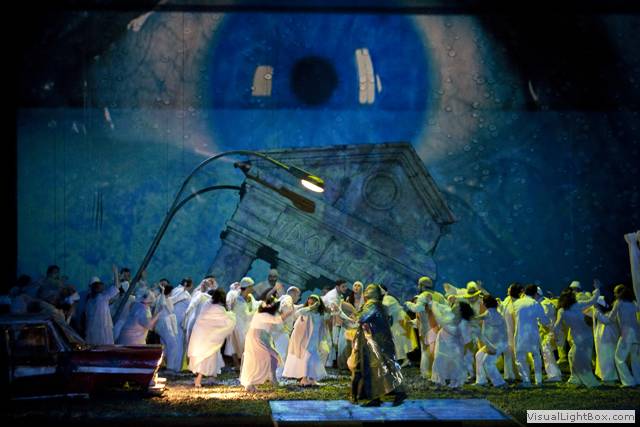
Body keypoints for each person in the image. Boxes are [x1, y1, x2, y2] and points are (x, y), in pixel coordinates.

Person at [350, 284, 406, 407]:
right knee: (387, 367)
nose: (366, 291)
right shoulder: (380, 305)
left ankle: (382, 397)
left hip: (377, 342)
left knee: (376, 369)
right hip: (382, 340)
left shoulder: (372, 304)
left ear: (375, 293)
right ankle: (393, 393)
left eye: (369, 289)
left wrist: (352, 315)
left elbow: (361, 318)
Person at [553, 282, 601, 387]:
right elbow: (593, 300)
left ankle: (590, 382)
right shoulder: (579, 304)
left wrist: (555, 336)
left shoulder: (562, 311)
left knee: (580, 360)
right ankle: (574, 378)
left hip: (578, 337)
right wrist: (597, 289)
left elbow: (556, 325)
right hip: (587, 335)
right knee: (571, 355)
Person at [240, 297, 293, 392]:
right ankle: (251, 383)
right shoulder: (262, 314)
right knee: (259, 360)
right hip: (257, 338)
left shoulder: (263, 314)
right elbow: (278, 320)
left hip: (261, 337)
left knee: (272, 358)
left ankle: (272, 379)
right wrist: (288, 313)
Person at [188, 288, 236, 387]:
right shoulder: (219, 308)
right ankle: (198, 380)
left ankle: (211, 378)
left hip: (201, 335)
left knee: (213, 357)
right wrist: (232, 315)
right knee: (206, 358)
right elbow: (225, 321)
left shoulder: (207, 304)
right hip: (209, 338)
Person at [282, 294, 330, 386]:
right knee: (306, 359)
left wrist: (332, 310)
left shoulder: (320, 314)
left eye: (314, 301)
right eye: (310, 301)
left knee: (313, 359)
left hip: (315, 340)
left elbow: (328, 316)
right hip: (304, 340)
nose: (311, 303)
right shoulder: (307, 312)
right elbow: (298, 313)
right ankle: (304, 379)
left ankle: (312, 379)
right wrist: (311, 307)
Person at [513, 284, 548, 387]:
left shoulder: (516, 303)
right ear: (535, 293)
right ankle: (539, 380)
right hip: (533, 334)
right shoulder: (535, 304)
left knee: (520, 358)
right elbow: (544, 320)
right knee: (536, 356)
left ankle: (526, 380)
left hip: (520, 334)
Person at [474, 294, 508, 388]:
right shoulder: (493, 312)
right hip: (494, 342)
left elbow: (481, 317)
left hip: (498, 344)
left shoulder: (490, 313)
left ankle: (500, 383)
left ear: (485, 304)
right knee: (479, 355)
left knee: (488, 362)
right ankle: (481, 381)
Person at [610, 283, 640, 387]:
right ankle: (638, 380)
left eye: (615, 292)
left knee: (619, 358)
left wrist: (598, 313)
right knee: (635, 359)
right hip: (637, 334)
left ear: (619, 293)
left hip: (626, 334)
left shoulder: (618, 302)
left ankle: (628, 382)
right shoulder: (633, 302)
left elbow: (611, 318)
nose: (614, 294)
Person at [381, 285, 417, 368]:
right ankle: (403, 359)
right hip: (396, 320)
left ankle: (404, 359)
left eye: (381, 289)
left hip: (400, 320)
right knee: (398, 340)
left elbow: (384, 307)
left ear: (385, 291)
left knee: (400, 340)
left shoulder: (387, 298)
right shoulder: (384, 298)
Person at [585, 295, 619, 383]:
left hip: (608, 340)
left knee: (608, 358)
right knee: (602, 358)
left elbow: (606, 320)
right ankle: (603, 375)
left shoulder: (610, 313)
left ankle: (609, 377)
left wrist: (596, 310)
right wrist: (591, 303)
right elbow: (585, 311)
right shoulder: (598, 313)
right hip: (601, 340)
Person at [224, 277, 257, 368]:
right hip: (238, 327)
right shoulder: (238, 300)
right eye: (251, 287)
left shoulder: (250, 297)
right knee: (234, 346)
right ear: (248, 287)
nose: (253, 288)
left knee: (246, 346)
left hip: (247, 326)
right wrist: (258, 311)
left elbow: (254, 305)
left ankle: (244, 365)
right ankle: (238, 365)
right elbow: (247, 315)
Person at [84, 269, 120, 345]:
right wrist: (116, 273)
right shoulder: (102, 297)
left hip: (92, 331)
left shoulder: (89, 301)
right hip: (103, 331)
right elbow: (116, 288)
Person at [273, 286, 301, 379]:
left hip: (279, 330)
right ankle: (279, 375)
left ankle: (281, 374)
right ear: (294, 294)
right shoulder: (288, 299)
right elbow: (286, 308)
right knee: (283, 354)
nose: (299, 298)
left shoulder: (284, 298)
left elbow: (293, 308)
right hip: (281, 330)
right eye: (298, 295)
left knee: (283, 353)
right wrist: (283, 320)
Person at [322, 279, 349, 367]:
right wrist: (347, 319)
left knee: (329, 343)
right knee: (326, 343)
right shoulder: (332, 296)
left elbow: (338, 311)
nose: (345, 288)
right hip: (321, 320)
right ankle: (321, 366)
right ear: (337, 287)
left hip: (326, 319)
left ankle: (326, 365)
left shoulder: (339, 296)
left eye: (346, 286)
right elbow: (337, 311)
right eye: (343, 286)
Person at [169, 277, 193, 371]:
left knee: (175, 342)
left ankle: (173, 366)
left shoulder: (175, 290)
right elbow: (173, 300)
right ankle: (176, 368)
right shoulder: (183, 292)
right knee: (179, 343)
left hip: (174, 320)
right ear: (187, 285)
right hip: (179, 321)